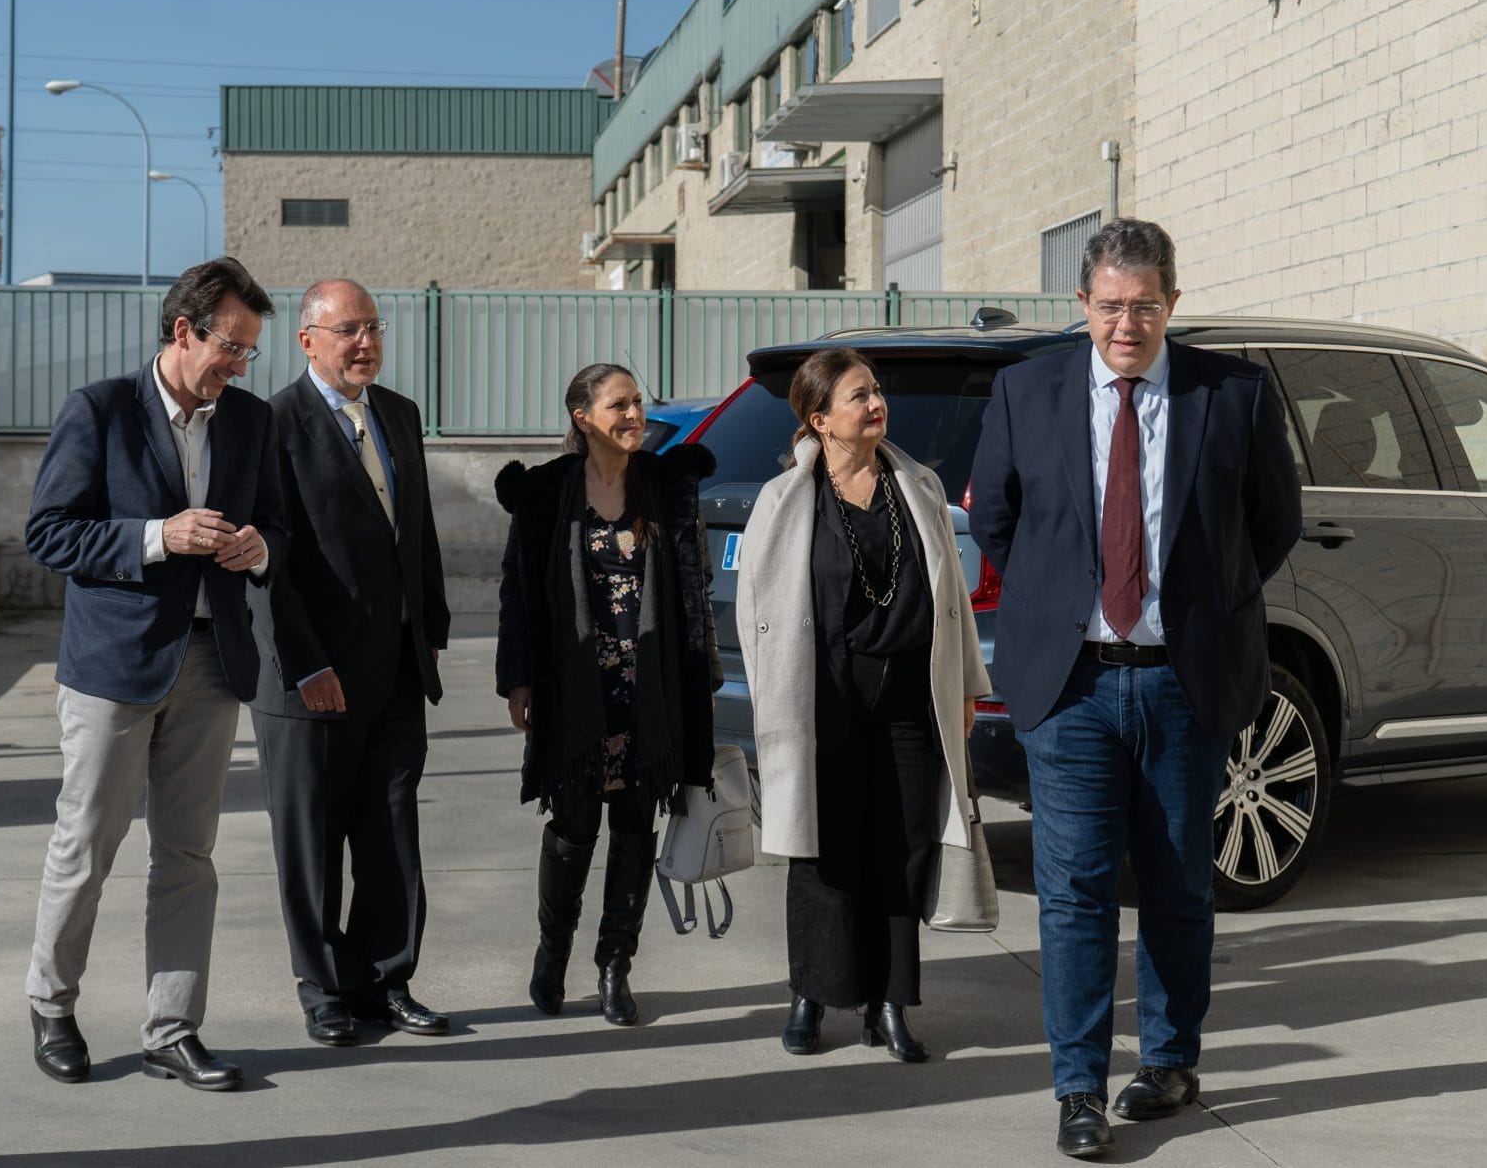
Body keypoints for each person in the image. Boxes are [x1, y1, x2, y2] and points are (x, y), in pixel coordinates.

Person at [968, 218, 1301, 1157]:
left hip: (1183, 685)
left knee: (1178, 884)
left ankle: (1169, 1063)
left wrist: (1203, 606)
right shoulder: (1025, 390)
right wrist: (1060, 602)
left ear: (1172, 303)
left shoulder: (1232, 394)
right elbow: (997, 521)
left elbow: (1273, 523)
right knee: (1074, 891)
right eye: (1111, 306)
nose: (1127, 324)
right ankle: (1077, 1087)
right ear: (1082, 304)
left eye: (1145, 306)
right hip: (1071, 685)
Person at [23, 257, 286, 1093]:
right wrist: (156, 537)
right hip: (113, 667)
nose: (239, 365)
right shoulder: (99, 409)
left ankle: (173, 1030)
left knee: (188, 855)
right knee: (86, 844)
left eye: (249, 351)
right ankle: (52, 1005)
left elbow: (276, 521)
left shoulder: (249, 420)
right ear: (183, 331)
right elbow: (49, 534)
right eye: (230, 347)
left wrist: (261, 548)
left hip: (213, 663)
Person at [734, 347, 990, 1063]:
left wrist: (966, 687)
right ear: (819, 419)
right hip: (824, 696)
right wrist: (770, 698)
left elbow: (953, 599)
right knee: (824, 849)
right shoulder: (785, 500)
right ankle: (811, 996)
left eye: (876, 391)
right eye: (858, 396)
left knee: (904, 846)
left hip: (910, 693)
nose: (876, 404)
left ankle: (890, 1002)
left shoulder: (919, 486)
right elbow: (755, 612)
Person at [247, 278, 453, 1047]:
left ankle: (385, 981)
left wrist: (429, 627)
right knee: (312, 841)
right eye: (347, 330)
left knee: (391, 831)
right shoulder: (271, 425)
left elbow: (417, 532)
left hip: (395, 666)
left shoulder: (398, 414)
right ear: (307, 340)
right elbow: (267, 565)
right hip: (312, 677)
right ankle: (323, 989)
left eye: (373, 327)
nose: (365, 343)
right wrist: (305, 664)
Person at [494, 364, 719, 1027]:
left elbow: (696, 589)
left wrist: (701, 679)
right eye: (619, 404)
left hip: (648, 685)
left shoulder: (666, 486)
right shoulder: (545, 493)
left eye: (637, 402)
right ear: (582, 417)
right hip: (575, 688)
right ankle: (553, 952)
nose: (633, 414)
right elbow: (518, 592)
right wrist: (519, 678)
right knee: (573, 827)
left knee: (635, 829)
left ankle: (615, 965)